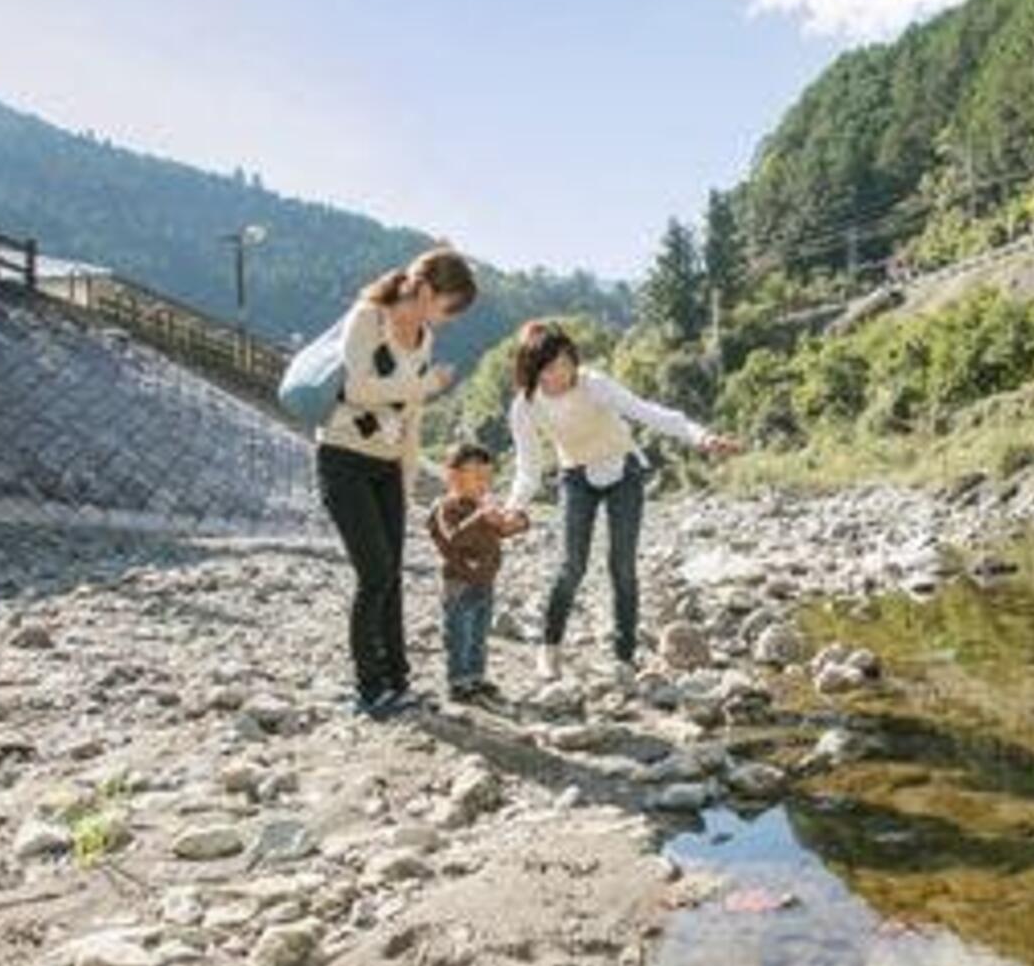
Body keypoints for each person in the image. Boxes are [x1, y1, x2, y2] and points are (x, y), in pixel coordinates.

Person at [503, 320, 741, 686]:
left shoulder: (593, 383)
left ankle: (624, 657)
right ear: (534, 370)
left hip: (624, 472)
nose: (562, 373)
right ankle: (549, 649)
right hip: (576, 477)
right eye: (551, 367)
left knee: (622, 566)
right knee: (572, 566)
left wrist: (701, 437)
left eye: (567, 362)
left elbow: (649, 412)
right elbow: (528, 466)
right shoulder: (526, 405)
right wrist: (514, 505)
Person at [315, 247, 477, 719]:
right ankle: (368, 690)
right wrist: (425, 386)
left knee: (393, 574)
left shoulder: (423, 338)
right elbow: (356, 388)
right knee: (375, 574)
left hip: (387, 467)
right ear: (426, 290)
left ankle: (398, 682)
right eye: (449, 307)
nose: (448, 320)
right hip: (343, 459)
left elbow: (411, 419)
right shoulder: (369, 316)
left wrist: (406, 484)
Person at [427, 440, 526, 704]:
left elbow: (504, 529)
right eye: (477, 477)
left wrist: (517, 520)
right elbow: (452, 538)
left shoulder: (480, 506)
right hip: (459, 582)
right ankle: (458, 681)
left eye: (488, 477)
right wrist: (481, 517)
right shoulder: (445, 507)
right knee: (460, 631)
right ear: (454, 476)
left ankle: (476, 677)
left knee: (479, 632)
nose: (484, 483)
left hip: (485, 580)